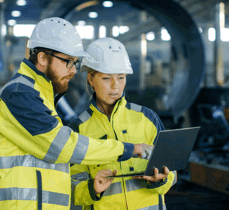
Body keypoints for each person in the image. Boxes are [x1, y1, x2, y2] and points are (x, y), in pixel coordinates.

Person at [0, 17, 150, 210]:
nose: (73, 71)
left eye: (75, 63)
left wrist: (91, 188)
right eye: (68, 62)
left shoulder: (42, 97)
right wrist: (126, 149)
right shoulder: (19, 95)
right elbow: (62, 146)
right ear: (43, 58)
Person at [69, 37, 177, 210]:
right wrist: (93, 188)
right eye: (106, 78)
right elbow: (72, 187)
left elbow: (171, 170)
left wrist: (161, 179)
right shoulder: (78, 129)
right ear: (90, 79)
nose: (115, 86)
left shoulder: (147, 118)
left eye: (121, 77)